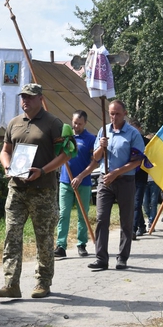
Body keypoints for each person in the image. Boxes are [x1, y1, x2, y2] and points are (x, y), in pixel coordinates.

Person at [0, 83, 71, 299]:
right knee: (12, 235)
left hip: (43, 190)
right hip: (17, 189)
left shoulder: (53, 123)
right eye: (23, 97)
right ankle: (11, 283)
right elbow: (5, 151)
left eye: (29, 97)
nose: (25, 101)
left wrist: (43, 170)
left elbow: (67, 153)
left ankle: (43, 282)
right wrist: (7, 166)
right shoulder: (14, 123)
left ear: (40, 98)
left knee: (44, 238)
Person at [79, 100, 145, 271]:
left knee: (126, 220)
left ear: (125, 113)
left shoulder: (132, 134)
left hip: (125, 181)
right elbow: (95, 157)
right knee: (101, 219)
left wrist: (117, 172)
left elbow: (137, 161)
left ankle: (122, 257)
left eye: (117, 113)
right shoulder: (103, 130)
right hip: (105, 180)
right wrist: (101, 147)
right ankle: (101, 258)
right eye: (111, 114)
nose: (114, 117)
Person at [55, 110, 96, 259]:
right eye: (74, 123)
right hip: (65, 181)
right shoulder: (66, 137)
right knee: (63, 214)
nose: (76, 126)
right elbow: (57, 154)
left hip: (83, 182)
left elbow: (95, 163)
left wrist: (80, 176)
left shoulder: (91, 139)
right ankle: (60, 246)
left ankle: (81, 244)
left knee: (82, 214)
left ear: (85, 123)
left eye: (79, 123)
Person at [129, 117, 152, 240]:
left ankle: (132, 229)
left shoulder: (146, 142)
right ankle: (141, 225)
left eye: (135, 129)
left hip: (141, 176)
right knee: (133, 203)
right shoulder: (127, 140)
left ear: (139, 129)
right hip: (128, 175)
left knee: (137, 203)